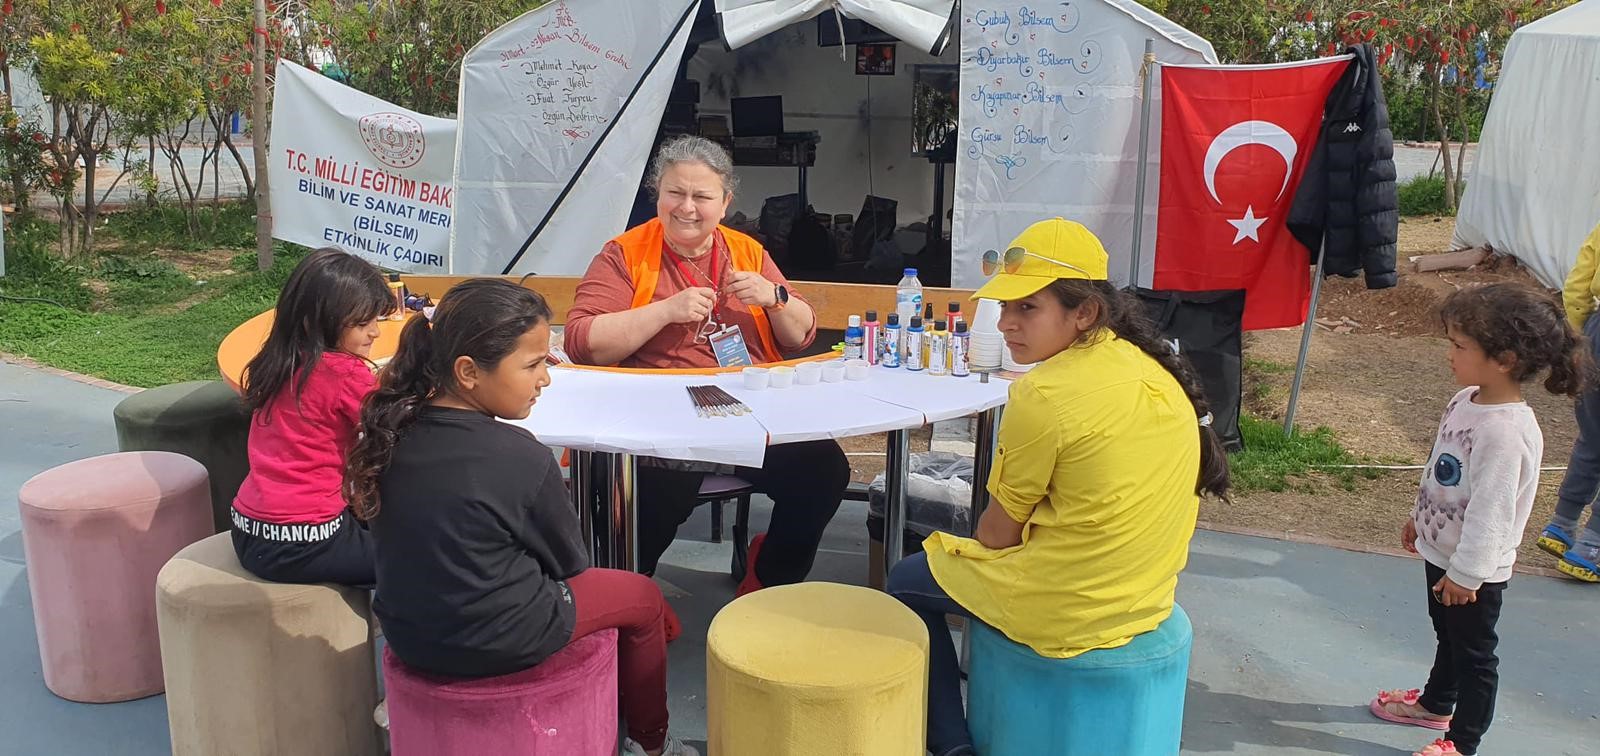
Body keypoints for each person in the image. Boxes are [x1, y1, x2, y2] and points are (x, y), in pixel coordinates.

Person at [885, 218, 1230, 756]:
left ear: (1085, 312)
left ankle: (951, 745)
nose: (1005, 324)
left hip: (1069, 608)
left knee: (905, 579)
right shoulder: (1151, 364)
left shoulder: (1043, 394)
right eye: (1003, 307)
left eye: (1027, 307)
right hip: (1148, 591)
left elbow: (997, 535)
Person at [345, 279, 697, 756]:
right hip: (502, 639)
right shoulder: (520, 456)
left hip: (408, 634)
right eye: (533, 364)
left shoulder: (388, 432)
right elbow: (570, 565)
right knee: (643, 597)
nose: (545, 379)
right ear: (468, 371)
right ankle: (652, 743)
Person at [564, 135, 851, 623]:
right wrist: (664, 312)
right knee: (655, 492)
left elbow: (800, 335)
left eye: (702, 196)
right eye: (676, 193)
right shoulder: (625, 254)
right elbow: (582, 340)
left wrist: (775, 296)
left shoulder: (747, 251)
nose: (688, 208)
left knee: (824, 473)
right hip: (661, 415)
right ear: (657, 194)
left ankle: (770, 579)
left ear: (725, 202)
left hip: (744, 411)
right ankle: (634, 602)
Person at [1372, 283, 1584, 756]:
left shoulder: (1506, 432)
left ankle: (1462, 742)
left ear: (1505, 359)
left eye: (1459, 346)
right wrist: (1417, 518)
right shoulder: (1466, 399)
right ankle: (1436, 703)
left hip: (1473, 572)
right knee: (1446, 636)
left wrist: (1467, 575)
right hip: (1443, 554)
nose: (1449, 353)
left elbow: (1493, 512)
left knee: (1474, 656)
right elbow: (1441, 468)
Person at [231, 247, 393, 586]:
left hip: (248, 528)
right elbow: (395, 425)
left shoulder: (279, 361)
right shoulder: (344, 371)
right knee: (423, 561)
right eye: (363, 324)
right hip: (306, 542)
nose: (375, 332)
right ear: (316, 321)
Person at [1539, 220, 1600, 582]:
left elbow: (1578, 284)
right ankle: (1593, 545)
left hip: (1597, 333)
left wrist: (1581, 334)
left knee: (1591, 438)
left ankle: (1562, 523)